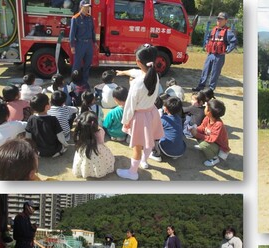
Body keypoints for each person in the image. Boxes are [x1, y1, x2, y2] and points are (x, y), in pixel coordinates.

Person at [116, 44, 164, 180]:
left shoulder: (137, 83)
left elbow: (130, 106)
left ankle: (132, 172)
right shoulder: (154, 75)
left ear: (138, 62)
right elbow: (136, 72)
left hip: (140, 117)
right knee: (149, 141)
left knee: (137, 146)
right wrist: (124, 72)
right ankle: (144, 161)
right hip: (152, 113)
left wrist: (125, 122)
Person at [192, 12, 238, 92]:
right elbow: (208, 38)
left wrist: (227, 50)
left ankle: (210, 90)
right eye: (218, 19)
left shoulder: (228, 31)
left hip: (219, 56)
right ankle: (200, 86)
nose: (219, 20)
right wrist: (207, 44)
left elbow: (233, 42)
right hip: (210, 54)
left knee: (214, 73)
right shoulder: (214, 29)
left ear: (226, 21)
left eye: (221, 19)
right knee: (205, 71)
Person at [72, 112, 115, 179]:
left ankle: (86, 172)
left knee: (84, 162)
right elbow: (101, 142)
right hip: (97, 149)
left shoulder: (79, 131)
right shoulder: (100, 131)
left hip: (83, 149)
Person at [188, 99, 230, 167]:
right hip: (212, 143)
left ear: (209, 112)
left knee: (203, 144)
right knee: (198, 137)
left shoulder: (218, 124)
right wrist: (194, 129)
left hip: (219, 147)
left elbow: (211, 139)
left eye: (206, 107)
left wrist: (196, 134)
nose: (204, 108)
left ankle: (214, 158)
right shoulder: (207, 118)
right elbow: (202, 127)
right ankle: (207, 149)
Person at [25, 93, 68, 158]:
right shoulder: (53, 119)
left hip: (38, 150)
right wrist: (65, 144)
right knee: (63, 147)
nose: (50, 102)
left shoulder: (31, 118)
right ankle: (60, 152)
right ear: (46, 107)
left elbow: (28, 136)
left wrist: (31, 149)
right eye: (49, 101)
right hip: (53, 150)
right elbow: (60, 136)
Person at [150, 96, 186, 162]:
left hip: (166, 150)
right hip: (180, 151)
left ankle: (156, 154)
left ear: (166, 109)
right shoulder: (179, 119)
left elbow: (153, 130)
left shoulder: (164, 119)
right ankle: (174, 153)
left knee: (154, 135)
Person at [69, 0, 95, 86]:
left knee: (88, 64)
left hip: (89, 44)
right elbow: (72, 34)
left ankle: (84, 82)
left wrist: (94, 42)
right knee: (77, 65)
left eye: (88, 7)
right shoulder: (75, 18)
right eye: (85, 7)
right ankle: (74, 83)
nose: (87, 9)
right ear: (81, 7)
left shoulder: (89, 17)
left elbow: (92, 31)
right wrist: (72, 46)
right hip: (80, 44)